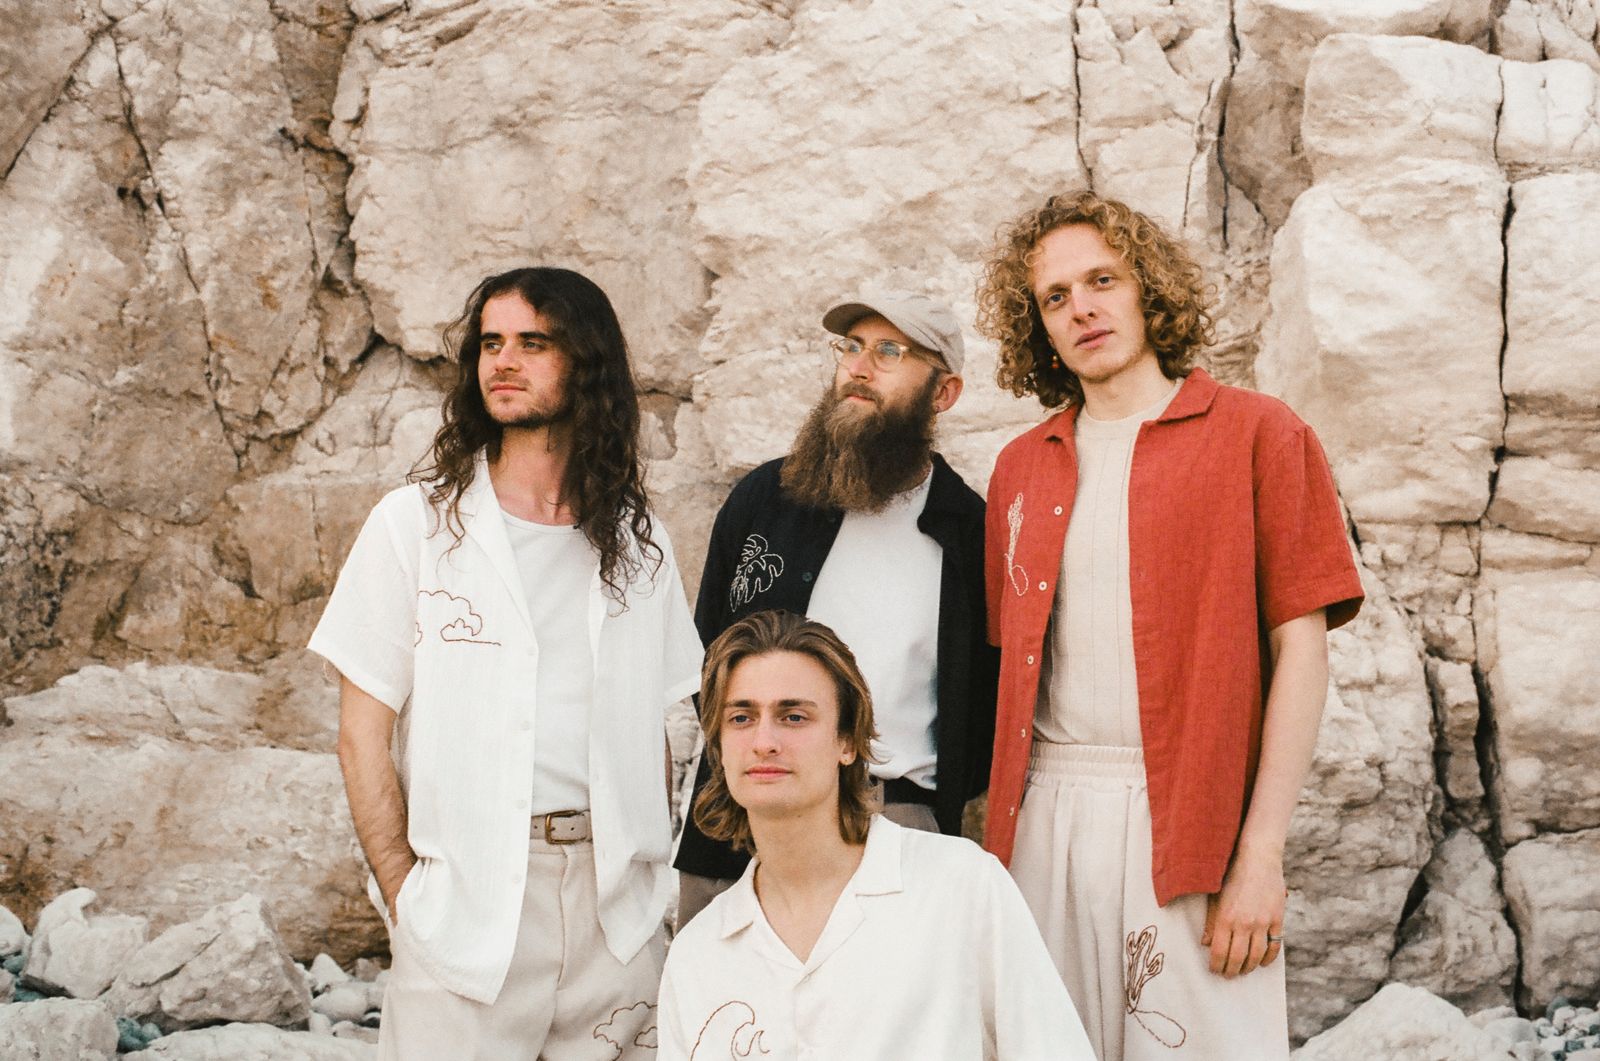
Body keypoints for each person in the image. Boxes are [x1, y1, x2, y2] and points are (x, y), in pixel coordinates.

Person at [975, 192, 1365, 1061]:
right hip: (1043, 819)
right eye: (1054, 296)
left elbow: (1301, 651)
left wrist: (1260, 855)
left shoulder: (1261, 434)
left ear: (1148, 289)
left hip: (1192, 823)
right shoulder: (1018, 469)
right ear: (1039, 327)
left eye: (1102, 280)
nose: (1081, 308)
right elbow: (1007, 675)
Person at [309, 267, 703, 1060]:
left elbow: (666, 721)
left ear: (586, 362)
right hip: (468, 908)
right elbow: (361, 735)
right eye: (491, 343)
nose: (504, 361)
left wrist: (646, 876)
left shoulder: (640, 542)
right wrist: (407, 898)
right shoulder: (415, 526)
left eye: (533, 342)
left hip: (615, 917)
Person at [672, 291, 998, 927]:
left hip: (894, 825)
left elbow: (986, 707)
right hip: (744, 822)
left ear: (944, 392)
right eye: (851, 347)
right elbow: (706, 658)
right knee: (723, 989)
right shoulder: (766, 498)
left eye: (889, 352)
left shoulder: (969, 532)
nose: (859, 367)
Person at [658, 610, 1094, 1061]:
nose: (764, 741)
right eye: (741, 717)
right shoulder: (698, 954)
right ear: (719, 745)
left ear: (847, 742)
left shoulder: (960, 886)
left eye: (793, 717)